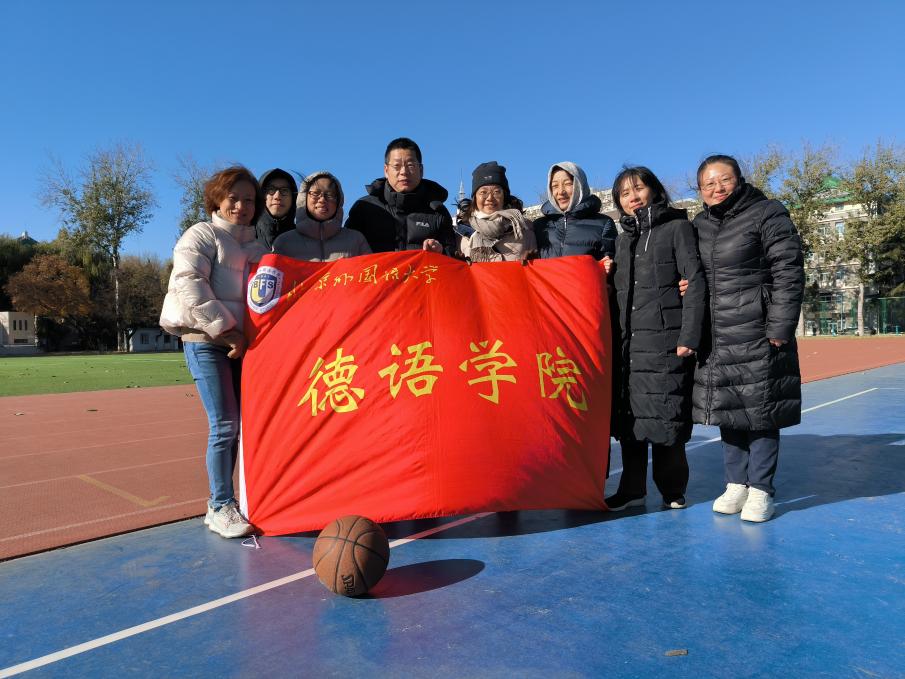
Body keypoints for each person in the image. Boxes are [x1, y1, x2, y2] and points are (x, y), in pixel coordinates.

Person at [692, 154, 804, 522]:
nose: (717, 188)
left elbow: (788, 270)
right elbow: (694, 273)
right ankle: (735, 484)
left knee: (761, 410)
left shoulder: (767, 212)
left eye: (724, 179)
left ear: (739, 180)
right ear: (700, 190)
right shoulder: (699, 225)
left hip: (757, 329)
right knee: (728, 408)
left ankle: (761, 489)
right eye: (709, 183)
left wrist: (780, 326)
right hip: (717, 333)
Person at [159, 165, 267, 538]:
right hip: (205, 340)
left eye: (249, 200)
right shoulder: (200, 235)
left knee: (246, 426)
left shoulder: (259, 247)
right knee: (224, 424)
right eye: (233, 198)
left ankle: (245, 500)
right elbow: (189, 284)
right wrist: (226, 331)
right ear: (216, 200)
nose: (241, 206)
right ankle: (220, 505)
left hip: (242, 345)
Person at [602, 167, 706, 511]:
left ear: (654, 190)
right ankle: (632, 488)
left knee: (667, 417)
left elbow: (694, 281)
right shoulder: (622, 240)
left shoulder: (677, 228)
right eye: (624, 193)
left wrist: (689, 336)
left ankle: (673, 489)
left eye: (638, 188)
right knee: (631, 422)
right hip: (629, 347)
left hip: (665, 342)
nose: (632, 197)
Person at [345, 137, 454, 254]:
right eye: (397, 166)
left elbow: (453, 255)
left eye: (410, 165)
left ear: (421, 170)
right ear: (386, 170)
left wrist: (441, 251)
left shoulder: (438, 212)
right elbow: (346, 250)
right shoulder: (364, 208)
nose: (403, 172)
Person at [272, 171, 371, 261]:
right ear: (304, 198)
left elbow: (371, 271)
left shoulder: (356, 240)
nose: (322, 199)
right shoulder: (284, 242)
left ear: (338, 201)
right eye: (315, 193)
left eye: (330, 194)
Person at [533, 161, 617, 260]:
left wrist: (608, 264)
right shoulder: (538, 227)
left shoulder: (603, 223)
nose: (561, 192)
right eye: (555, 186)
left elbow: (611, 259)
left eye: (567, 184)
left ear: (580, 185)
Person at [455, 161, 536, 262]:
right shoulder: (462, 234)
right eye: (483, 192)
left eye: (496, 192)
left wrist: (534, 262)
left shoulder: (523, 228)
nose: (490, 198)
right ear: (475, 198)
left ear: (504, 196)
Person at [255, 168, 299, 250]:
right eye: (271, 189)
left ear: (293, 198)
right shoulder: (245, 235)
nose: (277, 196)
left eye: (284, 190)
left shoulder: (303, 240)